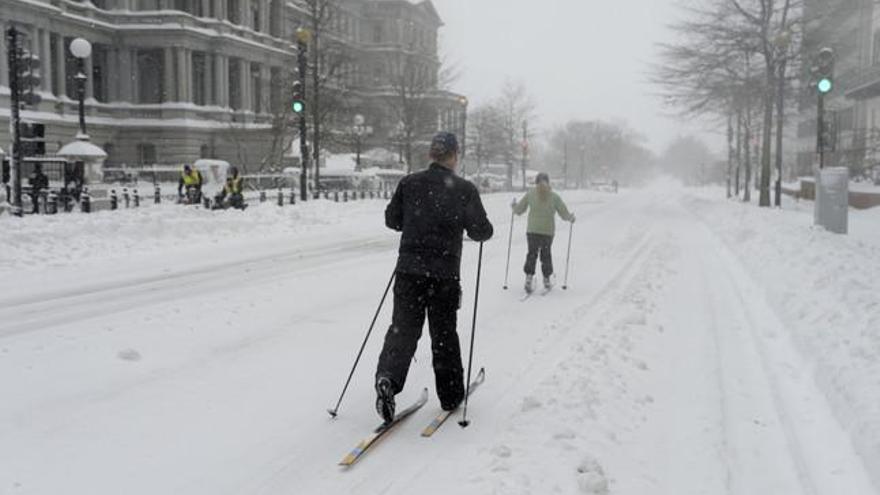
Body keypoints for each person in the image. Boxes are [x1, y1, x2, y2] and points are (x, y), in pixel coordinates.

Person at [375, 132, 494, 423]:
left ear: (431, 155)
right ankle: (451, 395)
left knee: (403, 329)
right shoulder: (463, 189)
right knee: (443, 335)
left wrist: (416, 220)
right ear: (453, 156)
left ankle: (388, 378)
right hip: (443, 275)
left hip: (409, 272)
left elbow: (392, 219)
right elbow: (482, 230)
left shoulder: (410, 183)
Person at [513, 172, 575, 293]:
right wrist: (570, 217)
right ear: (548, 182)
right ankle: (546, 279)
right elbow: (563, 213)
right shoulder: (554, 197)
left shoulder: (530, 194)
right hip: (547, 231)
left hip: (532, 231)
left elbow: (519, 210)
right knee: (546, 254)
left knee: (532, 253)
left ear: (536, 182)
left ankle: (529, 278)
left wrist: (514, 206)